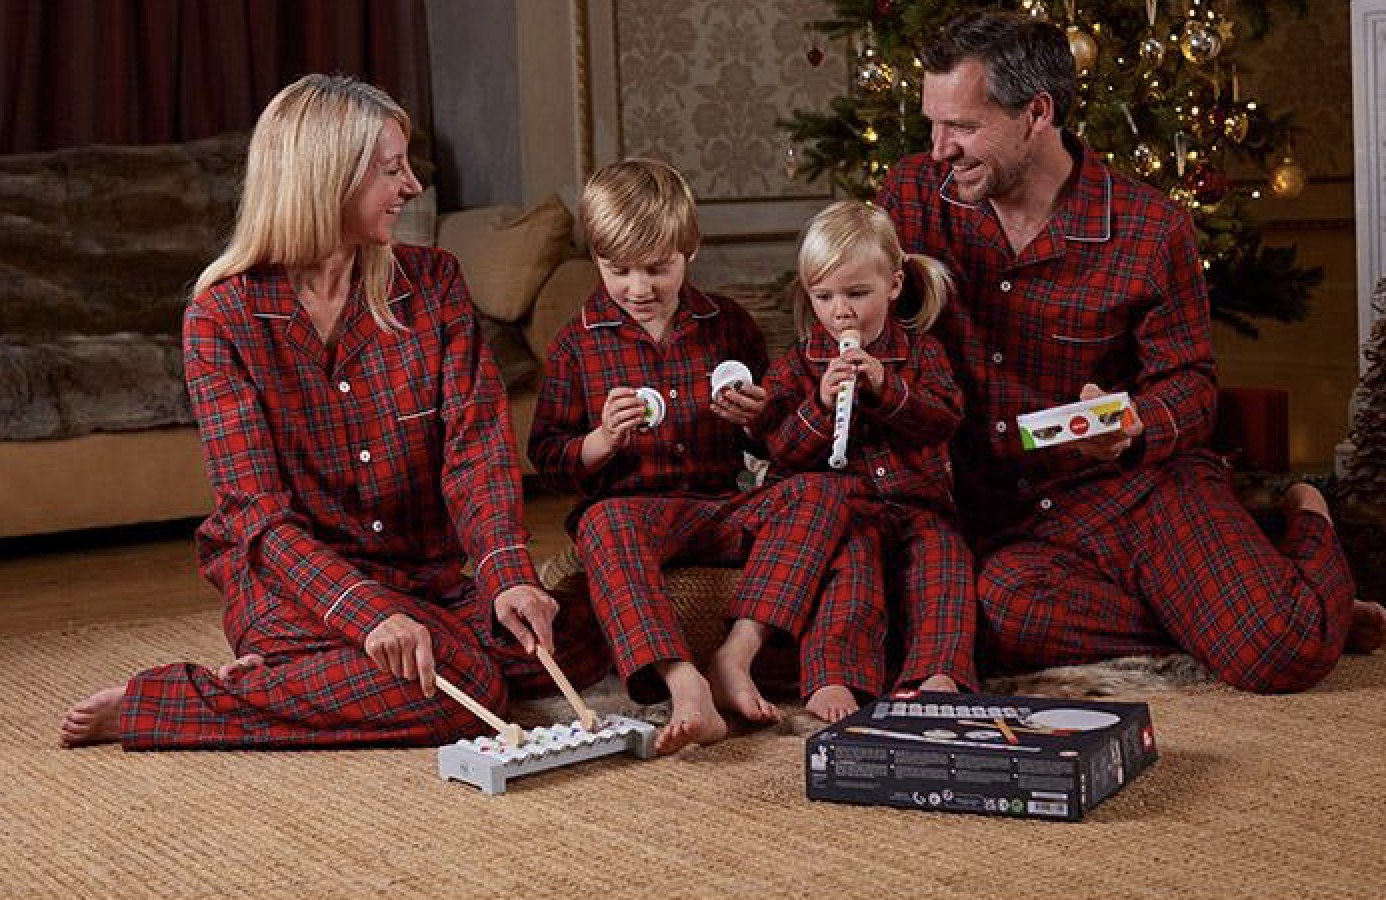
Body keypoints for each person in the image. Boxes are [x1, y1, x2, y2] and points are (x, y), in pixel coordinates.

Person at [59, 74, 609, 750]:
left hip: (420, 573)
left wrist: (508, 575)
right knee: (467, 693)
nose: (411, 186)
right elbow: (259, 518)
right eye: (391, 170)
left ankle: (305, 673)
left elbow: (477, 452)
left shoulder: (433, 284)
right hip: (295, 582)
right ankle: (173, 702)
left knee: (576, 641)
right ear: (326, 179)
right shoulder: (222, 318)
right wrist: (368, 615)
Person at [878, 11, 1385, 693]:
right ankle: (1231, 608)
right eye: (931, 124)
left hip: (1139, 490)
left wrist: (1135, 424)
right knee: (996, 615)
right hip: (1016, 523)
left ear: (1037, 113)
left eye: (963, 127)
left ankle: (1301, 526)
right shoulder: (911, 197)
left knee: (1282, 654)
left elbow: (1193, 388)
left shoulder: (1149, 228)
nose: (939, 150)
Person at [528, 158, 854, 753]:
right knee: (602, 522)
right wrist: (601, 441)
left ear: (691, 248)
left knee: (825, 491)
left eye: (658, 267)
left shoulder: (727, 325)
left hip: (724, 506)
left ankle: (737, 654)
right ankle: (684, 684)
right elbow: (548, 457)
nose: (639, 288)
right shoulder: (578, 343)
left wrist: (756, 417)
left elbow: (771, 444)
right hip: (636, 513)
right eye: (617, 269)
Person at [755, 201, 974, 723]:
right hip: (845, 514)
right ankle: (834, 673)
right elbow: (778, 448)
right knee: (849, 572)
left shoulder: (924, 354)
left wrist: (884, 385)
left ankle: (934, 671)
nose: (840, 312)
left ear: (894, 286)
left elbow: (944, 419)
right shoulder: (798, 364)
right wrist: (820, 406)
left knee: (944, 561)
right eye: (824, 296)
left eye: (857, 294)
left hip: (917, 507)